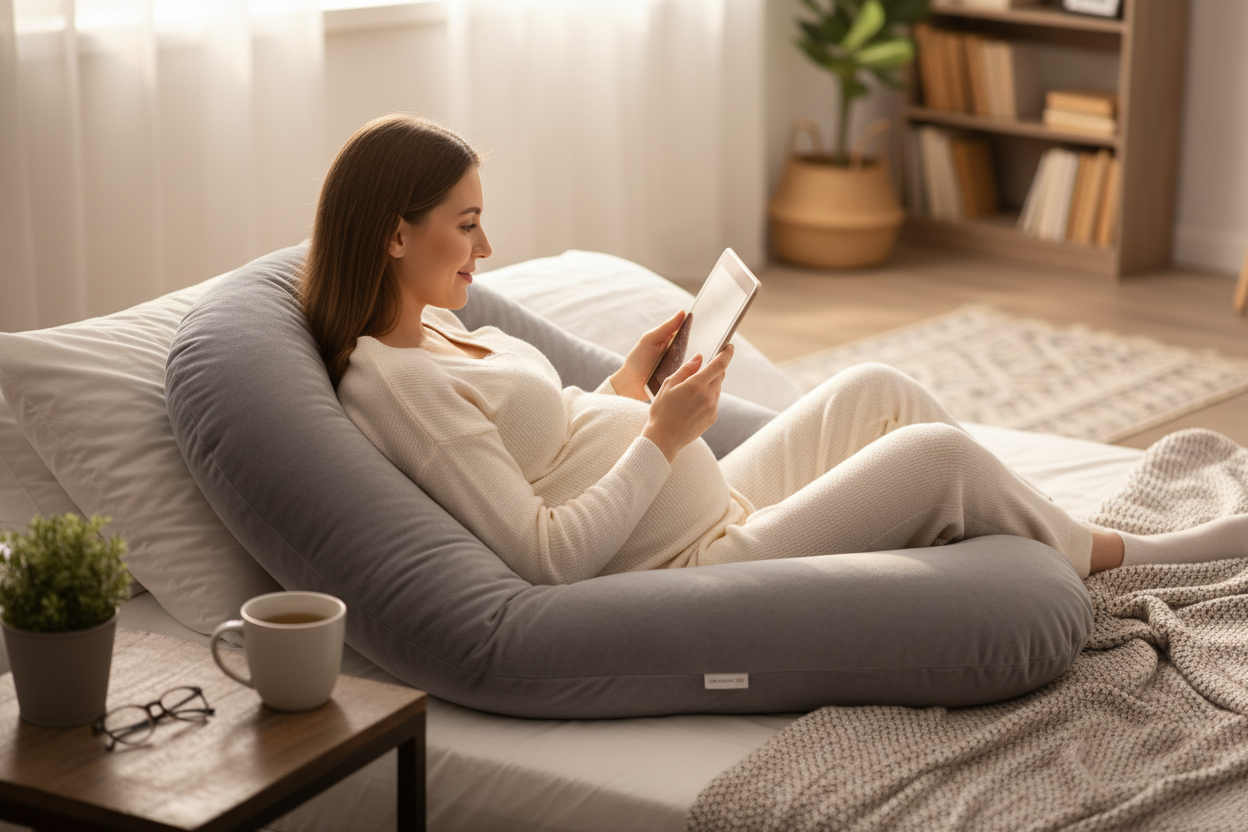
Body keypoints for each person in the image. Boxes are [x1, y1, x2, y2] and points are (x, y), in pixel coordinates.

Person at [301, 114, 1248, 586]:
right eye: (466, 226)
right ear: (394, 235)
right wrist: (664, 437)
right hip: (698, 566)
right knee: (938, 459)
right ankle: (1141, 556)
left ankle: (1050, 532)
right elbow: (546, 554)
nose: (486, 250)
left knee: (873, 387)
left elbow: (548, 454)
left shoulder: (433, 321)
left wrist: (633, 382)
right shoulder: (396, 388)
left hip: (711, 508)